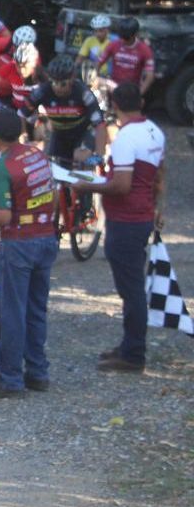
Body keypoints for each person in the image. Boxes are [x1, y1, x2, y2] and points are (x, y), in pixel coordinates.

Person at [73, 83, 165, 373]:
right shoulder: (154, 131)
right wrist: (156, 207)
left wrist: (84, 185)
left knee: (131, 289)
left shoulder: (126, 137)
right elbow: (159, 177)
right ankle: (129, 345)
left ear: (114, 105)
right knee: (133, 286)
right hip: (141, 215)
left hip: (126, 220)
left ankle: (134, 354)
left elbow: (122, 185)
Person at [0, 108, 58, 398]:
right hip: (46, 238)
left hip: (19, 242)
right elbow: (53, 195)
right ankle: (38, 372)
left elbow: (3, 216)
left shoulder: (4, 167)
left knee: (12, 311)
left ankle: (10, 379)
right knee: (35, 308)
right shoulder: (37, 155)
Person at [21, 56, 107, 169]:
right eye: (53, 82)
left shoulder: (83, 93)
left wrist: (99, 156)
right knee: (49, 166)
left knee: (80, 157)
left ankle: (91, 171)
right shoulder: (43, 91)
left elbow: (100, 125)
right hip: (60, 133)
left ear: (72, 79)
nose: (57, 88)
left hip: (83, 133)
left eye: (62, 84)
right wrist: (23, 138)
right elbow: (21, 115)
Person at [96, 16, 155, 97]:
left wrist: (140, 94)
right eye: (121, 37)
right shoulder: (113, 45)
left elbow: (150, 76)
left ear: (135, 35)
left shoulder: (145, 50)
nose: (123, 41)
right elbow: (99, 62)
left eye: (126, 38)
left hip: (132, 89)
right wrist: (97, 78)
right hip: (113, 88)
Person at [0, 42, 41, 112]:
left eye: (24, 66)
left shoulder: (39, 72)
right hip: (15, 108)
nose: (21, 70)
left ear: (33, 64)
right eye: (18, 66)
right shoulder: (11, 66)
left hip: (35, 111)